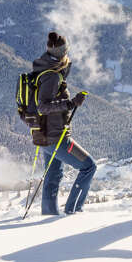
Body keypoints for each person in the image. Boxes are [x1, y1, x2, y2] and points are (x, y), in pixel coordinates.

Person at [32, 31, 95, 216]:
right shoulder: (51, 75)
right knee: (89, 166)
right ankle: (73, 211)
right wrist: (71, 103)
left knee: (52, 175)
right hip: (54, 136)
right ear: (62, 52)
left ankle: (49, 214)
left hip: (43, 134)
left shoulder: (44, 68)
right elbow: (43, 106)